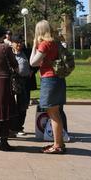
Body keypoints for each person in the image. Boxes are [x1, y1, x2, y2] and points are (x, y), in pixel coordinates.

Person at [30, 20, 67, 154]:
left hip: (49, 80)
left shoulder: (45, 44)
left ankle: (57, 145)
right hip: (58, 79)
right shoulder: (55, 43)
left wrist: (34, 45)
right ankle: (59, 143)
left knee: (53, 113)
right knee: (56, 112)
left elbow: (33, 62)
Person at [9, 36, 32, 136]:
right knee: (11, 105)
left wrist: (32, 71)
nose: (19, 45)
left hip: (25, 81)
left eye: (21, 43)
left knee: (23, 106)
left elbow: (35, 63)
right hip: (12, 81)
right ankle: (11, 127)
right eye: (17, 43)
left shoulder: (27, 52)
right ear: (12, 43)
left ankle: (19, 127)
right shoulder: (8, 53)